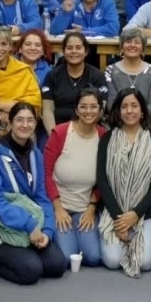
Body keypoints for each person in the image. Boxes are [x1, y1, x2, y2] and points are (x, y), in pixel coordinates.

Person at [0, 102, 66, 284]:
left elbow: (41, 196)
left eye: (30, 120)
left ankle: (26, 249)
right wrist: (29, 225)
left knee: (57, 265)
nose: (25, 125)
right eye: (19, 120)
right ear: (9, 123)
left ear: (35, 124)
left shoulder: (35, 154)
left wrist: (47, 230)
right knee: (31, 271)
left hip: (29, 225)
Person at [97, 89, 151, 277]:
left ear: (142, 111)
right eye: (124, 106)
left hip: (145, 212)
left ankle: (148, 235)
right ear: (118, 111)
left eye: (134, 106)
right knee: (112, 261)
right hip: (115, 213)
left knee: (146, 263)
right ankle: (125, 236)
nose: (129, 111)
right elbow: (102, 181)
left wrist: (135, 214)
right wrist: (121, 220)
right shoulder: (107, 139)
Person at [43, 89, 106, 268]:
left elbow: (104, 177)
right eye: (83, 107)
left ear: (100, 110)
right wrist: (57, 207)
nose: (88, 111)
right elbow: (46, 174)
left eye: (94, 107)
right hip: (59, 206)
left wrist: (92, 207)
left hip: (84, 209)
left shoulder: (103, 137)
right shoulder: (60, 133)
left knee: (93, 258)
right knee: (66, 257)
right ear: (77, 110)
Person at [41, 32, 108, 133]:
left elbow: (99, 110)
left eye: (78, 47)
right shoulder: (52, 76)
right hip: (58, 129)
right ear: (63, 51)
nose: (74, 51)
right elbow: (47, 110)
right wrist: (54, 135)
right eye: (69, 48)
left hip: (89, 128)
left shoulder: (97, 76)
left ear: (86, 51)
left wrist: (80, 134)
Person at [104, 29, 151, 122]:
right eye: (128, 42)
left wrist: (138, 121)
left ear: (143, 48)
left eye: (137, 42)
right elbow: (112, 104)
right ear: (121, 47)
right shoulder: (110, 71)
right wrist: (127, 121)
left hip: (145, 124)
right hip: (118, 123)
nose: (132, 45)